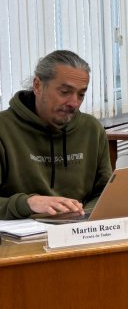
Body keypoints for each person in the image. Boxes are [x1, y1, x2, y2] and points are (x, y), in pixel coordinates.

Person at [0, 50, 112, 219]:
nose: (74, 103)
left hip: (81, 232)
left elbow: (104, 192)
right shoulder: (4, 129)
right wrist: (28, 203)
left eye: (81, 94)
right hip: (20, 237)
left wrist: (83, 216)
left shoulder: (92, 129)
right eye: (65, 92)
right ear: (38, 86)